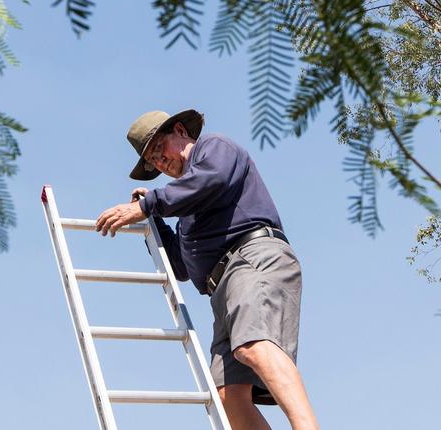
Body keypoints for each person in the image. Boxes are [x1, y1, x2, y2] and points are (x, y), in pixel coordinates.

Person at [95, 109, 320, 430]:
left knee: (254, 344)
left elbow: (208, 180)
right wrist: (153, 219)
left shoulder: (214, 148)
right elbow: (181, 267)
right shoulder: (186, 211)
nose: (161, 163)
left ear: (180, 131)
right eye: (153, 162)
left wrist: (147, 205)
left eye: (159, 150)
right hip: (222, 287)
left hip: (251, 258)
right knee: (227, 394)